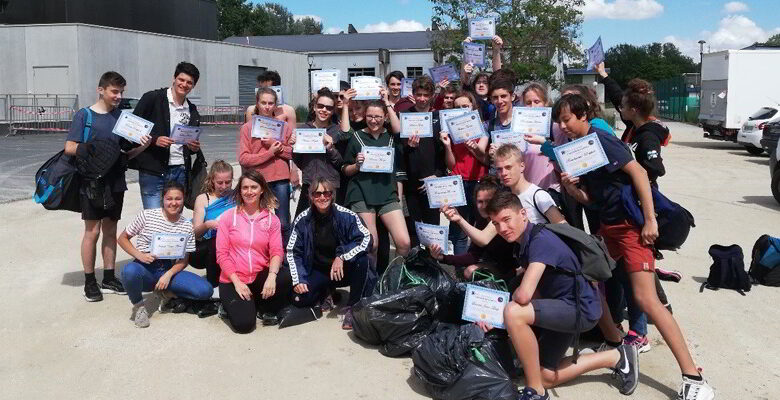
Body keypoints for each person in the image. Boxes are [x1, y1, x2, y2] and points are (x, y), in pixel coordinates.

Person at [554, 94, 715, 400]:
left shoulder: (601, 140)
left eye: (567, 119)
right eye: (559, 121)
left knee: (646, 299)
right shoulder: (580, 150)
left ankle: (693, 377)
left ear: (584, 114)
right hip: (608, 230)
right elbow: (596, 201)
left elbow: (640, 173)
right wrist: (574, 190)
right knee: (588, 281)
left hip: (631, 229)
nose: (563, 126)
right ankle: (619, 347)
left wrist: (650, 220)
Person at [485, 191, 639, 400]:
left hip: (580, 310)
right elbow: (536, 294)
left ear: (523, 214)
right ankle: (616, 356)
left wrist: (504, 315)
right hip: (562, 308)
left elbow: (524, 296)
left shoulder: (540, 241)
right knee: (543, 375)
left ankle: (536, 392)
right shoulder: (525, 242)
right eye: (495, 223)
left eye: (506, 219)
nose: (502, 228)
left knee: (513, 312)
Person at [63, 71, 150, 302]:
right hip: (91, 182)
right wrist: (86, 149)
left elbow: (127, 154)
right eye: (114, 91)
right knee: (92, 232)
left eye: (121, 92)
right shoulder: (84, 116)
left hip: (115, 182)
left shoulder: (123, 118)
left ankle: (109, 278)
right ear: (100, 89)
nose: (118, 96)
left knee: (110, 231)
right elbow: (69, 147)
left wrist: (143, 145)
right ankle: (90, 281)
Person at [118, 181, 214, 328]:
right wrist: (139, 255)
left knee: (205, 291)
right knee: (129, 271)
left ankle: (166, 291)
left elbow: (184, 260)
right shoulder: (147, 216)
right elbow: (122, 238)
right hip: (145, 268)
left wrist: (168, 275)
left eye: (178, 199)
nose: (174, 203)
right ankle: (139, 307)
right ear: (163, 199)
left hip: (168, 269)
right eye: (169, 198)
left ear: (183, 200)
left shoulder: (187, 225)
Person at [287, 178, 375, 330]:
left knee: (363, 260)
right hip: (319, 270)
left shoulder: (347, 215)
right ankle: (327, 292)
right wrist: (299, 279)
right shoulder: (302, 220)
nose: (322, 197)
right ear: (310, 196)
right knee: (299, 299)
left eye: (326, 193)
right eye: (317, 194)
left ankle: (354, 307)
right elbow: (293, 251)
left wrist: (342, 255)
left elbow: (367, 239)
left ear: (332, 195)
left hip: (343, 270)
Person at [216, 170, 293, 333]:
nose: (249, 192)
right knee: (244, 326)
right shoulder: (228, 217)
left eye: (254, 187)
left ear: (262, 189)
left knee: (288, 276)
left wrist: (272, 276)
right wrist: (237, 282)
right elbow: (222, 255)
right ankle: (232, 305)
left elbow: (277, 251)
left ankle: (260, 303)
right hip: (234, 278)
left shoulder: (272, 219)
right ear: (240, 191)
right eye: (245, 188)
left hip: (259, 276)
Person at [342, 100, 411, 265]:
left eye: (378, 117)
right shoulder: (356, 137)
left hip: (387, 193)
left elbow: (398, 171)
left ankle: (393, 280)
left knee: (404, 243)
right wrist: (357, 166)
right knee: (372, 244)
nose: (374, 120)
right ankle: (370, 283)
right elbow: (345, 169)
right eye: (370, 116)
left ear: (385, 117)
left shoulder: (392, 138)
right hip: (361, 193)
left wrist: (387, 102)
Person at [130, 61, 202, 209]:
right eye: (181, 80)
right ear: (174, 79)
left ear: (193, 86)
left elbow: (191, 143)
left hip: (180, 170)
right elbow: (131, 128)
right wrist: (154, 140)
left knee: (174, 217)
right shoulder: (152, 98)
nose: (184, 84)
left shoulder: (192, 110)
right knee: (154, 217)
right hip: (153, 170)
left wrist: (194, 147)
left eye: (189, 82)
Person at [429, 176, 515, 281]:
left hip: (513, 268)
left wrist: (459, 219)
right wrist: (443, 257)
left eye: (488, 201)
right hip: (494, 265)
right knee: (469, 272)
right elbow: (473, 256)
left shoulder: (500, 217)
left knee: (471, 272)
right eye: (480, 201)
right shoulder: (482, 221)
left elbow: (483, 240)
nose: (483, 206)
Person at [238, 87, 295, 244]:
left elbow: (293, 154)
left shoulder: (284, 127)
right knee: (257, 220)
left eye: (271, 103)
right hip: (257, 180)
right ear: (257, 103)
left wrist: (277, 147)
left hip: (280, 179)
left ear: (275, 105)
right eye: (263, 102)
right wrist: (269, 153)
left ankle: (285, 256)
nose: (267, 106)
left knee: (283, 222)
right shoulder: (247, 128)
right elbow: (243, 159)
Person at [398, 76, 446, 248]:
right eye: (419, 94)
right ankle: (414, 269)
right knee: (413, 233)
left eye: (426, 95)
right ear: (413, 94)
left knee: (433, 233)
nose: (422, 99)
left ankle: (432, 269)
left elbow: (444, 155)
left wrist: (436, 176)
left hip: (432, 184)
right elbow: (400, 155)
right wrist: (409, 147)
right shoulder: (404, 117)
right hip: (411, 186)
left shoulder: (438, 118)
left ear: (432, 95)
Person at [439, 90, 489, 255]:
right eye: (458, 107)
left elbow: (485, 160)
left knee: (482, 227)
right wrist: (447, 146)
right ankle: (460, 272)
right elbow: (451, 164)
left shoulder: (482, 128)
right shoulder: (450, 131)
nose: (461, 109)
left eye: (465, 106)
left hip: (479, 182)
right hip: (458, 182)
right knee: (459, 231)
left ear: (472, 107)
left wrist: (473, 149)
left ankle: (480, 267)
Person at [293, 88, 345, 217]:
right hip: (309, 183)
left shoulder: (337, 131)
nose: (324, 110)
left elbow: (340, 163)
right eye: (321, 106)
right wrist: (293, 146)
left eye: (328, 108)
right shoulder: (304, 129)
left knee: (331, 226)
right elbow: (299, 160)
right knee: (303, 223)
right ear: (315, 107)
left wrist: (330, 148)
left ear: (333, 111)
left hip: (330, 185)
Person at [190, 160, 235, 292]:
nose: (224, 186)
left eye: (228, 182)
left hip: (233, 243)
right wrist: (208, 225)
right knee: (216, 242)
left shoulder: (236, 196)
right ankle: (214, 285)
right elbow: (195, 234)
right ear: (212, 181)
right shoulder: (203, 199)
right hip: (206, 247)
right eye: (220, 183)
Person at [494, 144, 566, 224]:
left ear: (522, 166)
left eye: (508, 167)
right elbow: (485, 235)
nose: (504, 173)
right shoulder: (505, 198)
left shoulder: (539, 196)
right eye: (499, 169)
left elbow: (564, 228)